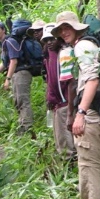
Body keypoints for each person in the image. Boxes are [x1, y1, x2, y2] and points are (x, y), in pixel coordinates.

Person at [54, 11, 100, 199]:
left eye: (68, 27)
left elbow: (92, 80)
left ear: (77, 28)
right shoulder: (92, 44)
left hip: (92, 116)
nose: (64, 32)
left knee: (89, 167)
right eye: (61, 29)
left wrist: (80, 113)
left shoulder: (83, 46)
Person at [42, 23, 75, 160]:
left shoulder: (64, 52)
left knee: (66, 141)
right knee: (60, 138)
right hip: (57, 103)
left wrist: (67, 105)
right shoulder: (49, 56)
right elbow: (51, 80)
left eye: (52, 39)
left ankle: (70, 165)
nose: (49, 43)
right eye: (46, 40)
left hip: (65, 102)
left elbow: (69, 81)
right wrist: (50, 97)